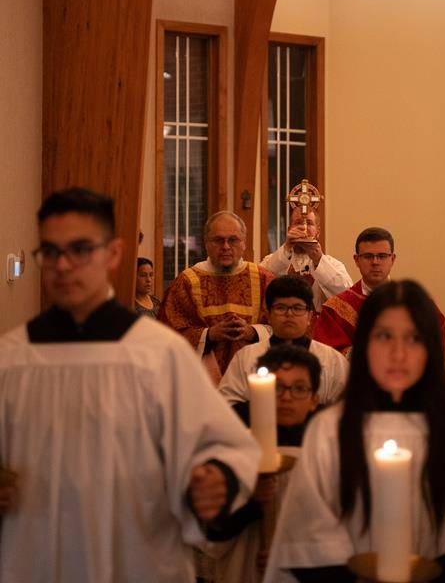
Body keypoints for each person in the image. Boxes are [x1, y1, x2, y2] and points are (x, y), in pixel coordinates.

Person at [0, 188, 261, 583]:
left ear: (113, 254)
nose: (64, 265)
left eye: (81, 249)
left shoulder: (158, 354)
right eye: (51, 252)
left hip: (139, 558)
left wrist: (217, 478)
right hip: (37, 559)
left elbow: (225, 447)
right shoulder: (12, 358)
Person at [264, 281, 445, 583]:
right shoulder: (330, 431)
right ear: (363, 345)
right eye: (384, 336)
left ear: (430, 348)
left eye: (413, 338)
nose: (398, 353)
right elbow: (308, 539)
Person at [203, 345, 322, 583]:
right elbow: (212, 533)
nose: (286, 397)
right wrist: (253, 501)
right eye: (277, 387)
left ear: (314, 400)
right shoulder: (232, 451)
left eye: (299, 388)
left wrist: (295, 560)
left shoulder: (325, 456)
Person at [158, 211, 273, 382]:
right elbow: (168, 335)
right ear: (206, 244)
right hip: (202, 380)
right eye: (218, 240)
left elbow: (281, 326)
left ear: (244, 243)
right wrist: (209, 335)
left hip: (253, 377)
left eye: (233, 240)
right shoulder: (187, 282)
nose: (226, 246)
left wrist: (253, 332)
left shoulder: (264, 279)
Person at [314, 227, 445, 356]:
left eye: (382, 256)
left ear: (392, 259)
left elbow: (435, 343)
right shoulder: (335, 309)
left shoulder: (417, 303)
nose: (375, 262)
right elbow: (327, 357)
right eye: (368, 256)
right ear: (357, 260)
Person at [219, 275, 348, 406]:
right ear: (268, 315)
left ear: (309, 316)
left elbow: (346, 409)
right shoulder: (246, 357)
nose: (289, 314)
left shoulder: (332, 360)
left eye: (297, 308)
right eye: (281, 308)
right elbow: (227, 406)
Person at [261, 207, 352, 314]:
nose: (303, 228)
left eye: (309, 223)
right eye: (298, 222)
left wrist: (319, 260)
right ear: (289, 229)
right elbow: (261, 283)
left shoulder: (333, 265)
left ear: (318, 231)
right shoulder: (272, 259)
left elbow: (346, 294)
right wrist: (286, 248)